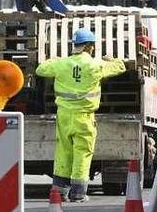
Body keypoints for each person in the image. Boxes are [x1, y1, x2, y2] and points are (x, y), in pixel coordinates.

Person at [35, 29, 126, 202]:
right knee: (82, 152)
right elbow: (120, 66)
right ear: (90, 47)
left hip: (64, 116)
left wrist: (53, 60)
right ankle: (78, 193)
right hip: (84, 117)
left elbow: (40, 69)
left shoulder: (61, 64)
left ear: (75, 46)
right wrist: (111, 59)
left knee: (63, 150)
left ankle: (59, 191)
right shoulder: (95, 65)